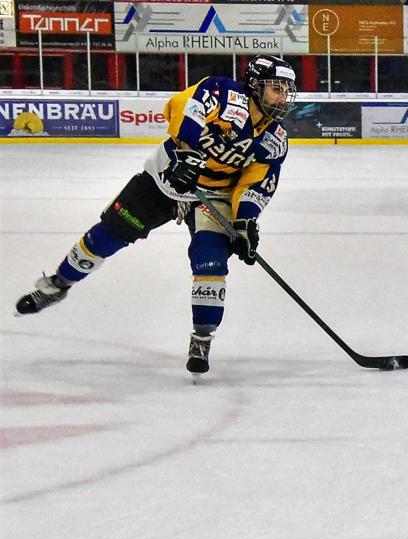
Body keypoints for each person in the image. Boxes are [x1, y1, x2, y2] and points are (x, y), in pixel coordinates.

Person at [14, 55, 297, 378]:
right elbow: (185, 107)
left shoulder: (275, 140)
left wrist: (245, 222)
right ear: (254, 85)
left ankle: (201, 338)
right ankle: (58, 284)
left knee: (210, 262)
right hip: (166, 178)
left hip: (213, 197)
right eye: (276, 89)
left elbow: (256, 183)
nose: (282, 98)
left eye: (286, 91)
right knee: (108, 235)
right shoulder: (223, 94)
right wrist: (189, 154)